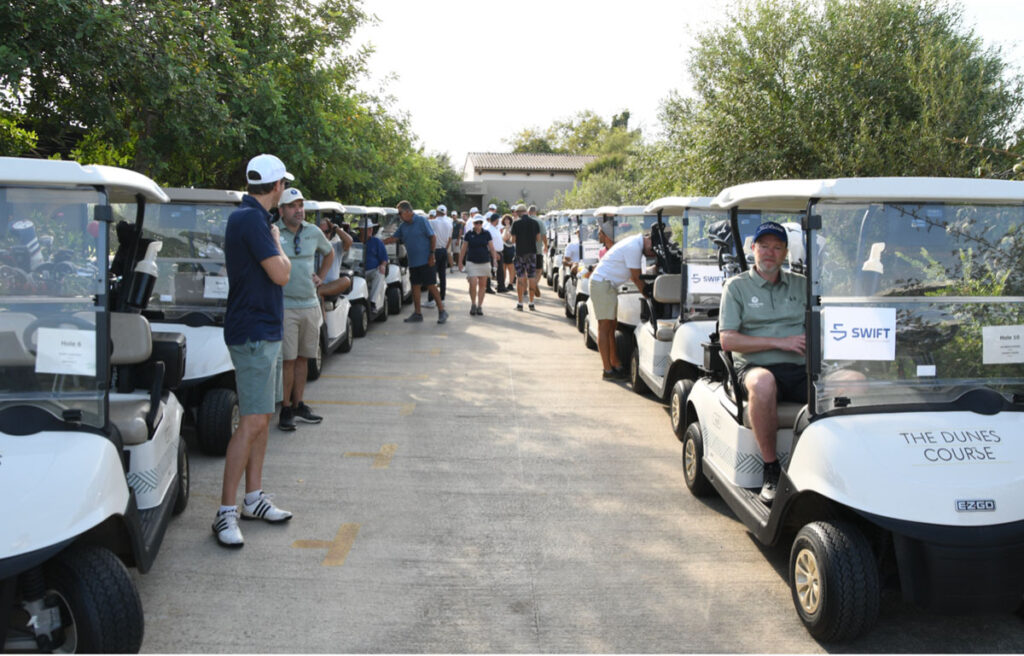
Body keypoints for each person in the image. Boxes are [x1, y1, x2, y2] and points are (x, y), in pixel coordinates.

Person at [214, 153, 294, 548]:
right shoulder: (251, 220)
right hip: (253, 334)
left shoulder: (251, 218)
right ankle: (226, 512)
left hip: (262, 330)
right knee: (251, 422)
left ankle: (253, 498)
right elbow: (281, 273)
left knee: (261, 420)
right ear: (277, 187)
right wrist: (280, 245)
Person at [719, 221, 807, 505]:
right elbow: (728, 340)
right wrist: (780, 343)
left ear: (785, 254)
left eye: (777, 247)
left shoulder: (802, 285)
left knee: (851, 382)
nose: (770, 252)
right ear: (753, 249)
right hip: (756, 367)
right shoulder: (737, 287)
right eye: (764, 246)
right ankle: (771, 468)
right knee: (763, 382)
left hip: (802, 368)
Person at [276, 187, 332, 432]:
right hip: (285, 306)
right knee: (288, 361)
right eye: (292, 206)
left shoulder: (313, 232)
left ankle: (299, 404)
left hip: (309, 305)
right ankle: (285, 408)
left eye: (300, 205)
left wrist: (321, 276)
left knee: (303, 359)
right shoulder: (274, 232)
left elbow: (328, 253)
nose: (299, 210)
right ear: (281, 210)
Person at [589, 227, 656, 380]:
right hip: (602, 284)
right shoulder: (634, 247)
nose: (652, 254)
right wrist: (649, 298)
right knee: (605, 327)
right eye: (653, 251)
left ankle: (615, 364)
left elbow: (637, 275)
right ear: (649, 240)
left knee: (612, 326)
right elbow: (636, 278)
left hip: (607, 285)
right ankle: (607, 370)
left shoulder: (635, 244)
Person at [383, 200, 448, 324]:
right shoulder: (403, 226)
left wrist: (432, 255)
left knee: (431, 286)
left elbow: (432, 237)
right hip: (413, 263)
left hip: (425, 261)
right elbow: (394, 238)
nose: (399, 216)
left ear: (408, 211)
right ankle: (418, 313)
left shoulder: (422, 221)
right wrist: (380, 243)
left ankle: (442, 311)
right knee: (415, 287)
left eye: (400, 213)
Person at [458, 212, 498, 315]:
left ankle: (480, 306)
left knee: (482, 285)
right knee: (472, 283)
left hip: (484, 262)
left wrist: (494, 260)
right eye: (476, 223)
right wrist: (460, 262)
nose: (478, 225)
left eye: (480, 223)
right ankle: (473, 304)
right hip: (471, 261)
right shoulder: (469, 234)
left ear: (482, 223)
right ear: (473, 223)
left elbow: (492, 248)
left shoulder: (487, 233)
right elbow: (463, 249)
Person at [509, 203, 541, 311]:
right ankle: (531, 303)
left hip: (520, 253)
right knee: (531, 277)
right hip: (532, 253)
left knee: (520, 277)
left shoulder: (516, 223)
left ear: (518, 213)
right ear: (526, 212)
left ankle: (520, 303)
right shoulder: (535, 223)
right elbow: (538, 238)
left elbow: (513, 240)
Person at [317, 214, 353, 301]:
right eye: (321, 232)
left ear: (330, 233)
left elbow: (349, 241)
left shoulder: (336, 246)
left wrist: (335, 228)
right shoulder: (312, 247)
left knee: (346, 280)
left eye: (326, 232)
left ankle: (319, 292)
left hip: (331, 287)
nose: (324, 235)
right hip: (315, 284)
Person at [359, 219, 388, 308]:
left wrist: (383, 265)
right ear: (361, 230)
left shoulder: (377, 242)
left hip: (371, 271)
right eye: (368, 229)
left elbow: (384, 258)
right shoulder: (354, 240)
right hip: (357, 272)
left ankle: (372, 302)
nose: (371, 230)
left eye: (371, 228)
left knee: (380, 274)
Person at [429, 204, 453, 301]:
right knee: (442, 276)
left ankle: (431, 299)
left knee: (432, 276)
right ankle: (442, 298)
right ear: (445, 213)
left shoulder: (432, 222)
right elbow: (450, 238)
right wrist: (445, 248)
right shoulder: (449, 223)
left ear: (437, 212)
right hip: (443, 250)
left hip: (435, 251)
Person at [527, 205, 548, 298]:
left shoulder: (524, 221)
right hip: (537, 250)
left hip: (525, 250)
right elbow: (543, 235)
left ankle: (532, 284)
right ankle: (534, 284)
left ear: (528, 212)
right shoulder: (540, 221)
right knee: (538, 270)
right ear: (536, 212)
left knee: (528, 271)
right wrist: (546, 246)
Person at [499, 214, 516, 291]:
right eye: (505, 220)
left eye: (508, 219)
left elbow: (506, 238)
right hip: (503, 249)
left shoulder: (512, 228)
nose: (506, 221)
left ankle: (510, 284)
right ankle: (503, 283)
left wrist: (507, 228)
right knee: (503, 267)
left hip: (510, 249)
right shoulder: (501, 228)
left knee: (511, 267)